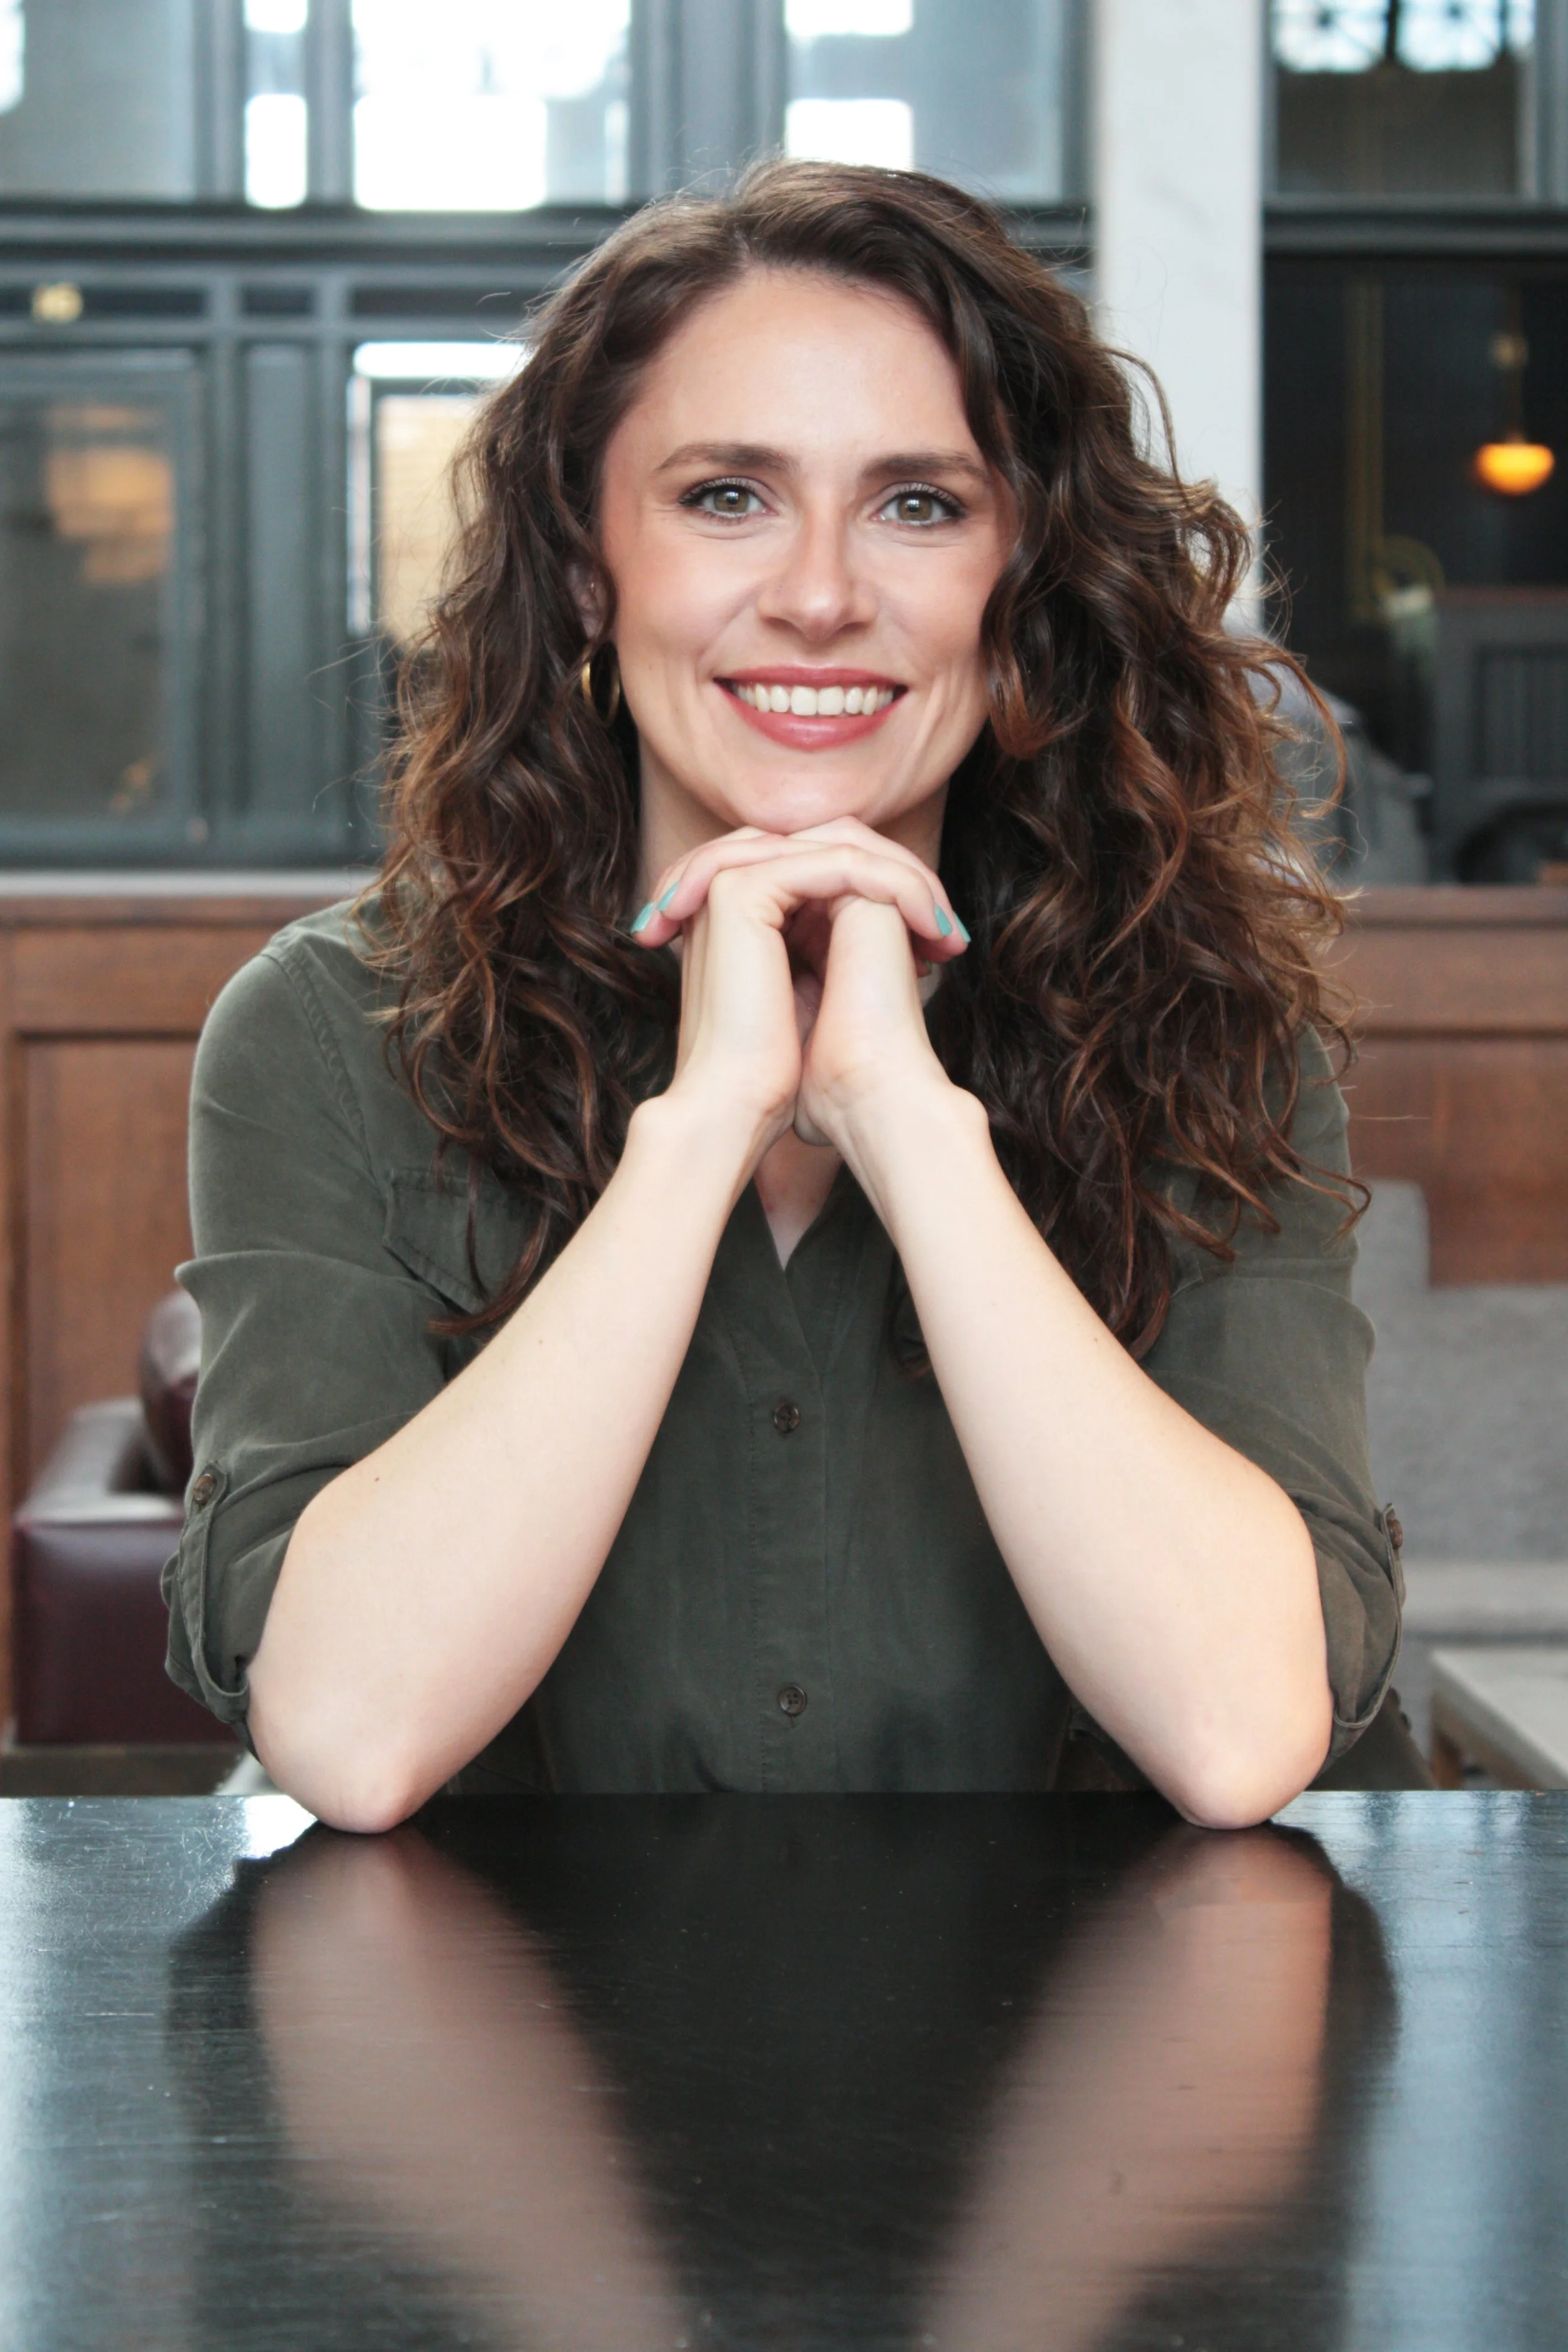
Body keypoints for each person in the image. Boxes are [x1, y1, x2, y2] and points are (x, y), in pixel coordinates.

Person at [164, 161, 1403, 1834]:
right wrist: (704, 1124)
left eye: (917, 503)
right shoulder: (327, 1031)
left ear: (1018, 578)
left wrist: (906, 1121)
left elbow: (1238, 1727)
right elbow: (353, 1732)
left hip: (1082, 2067)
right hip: (493, 2068)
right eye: (726, 497)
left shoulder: (1205, 1020)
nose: (819, 592)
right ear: (591, 570)